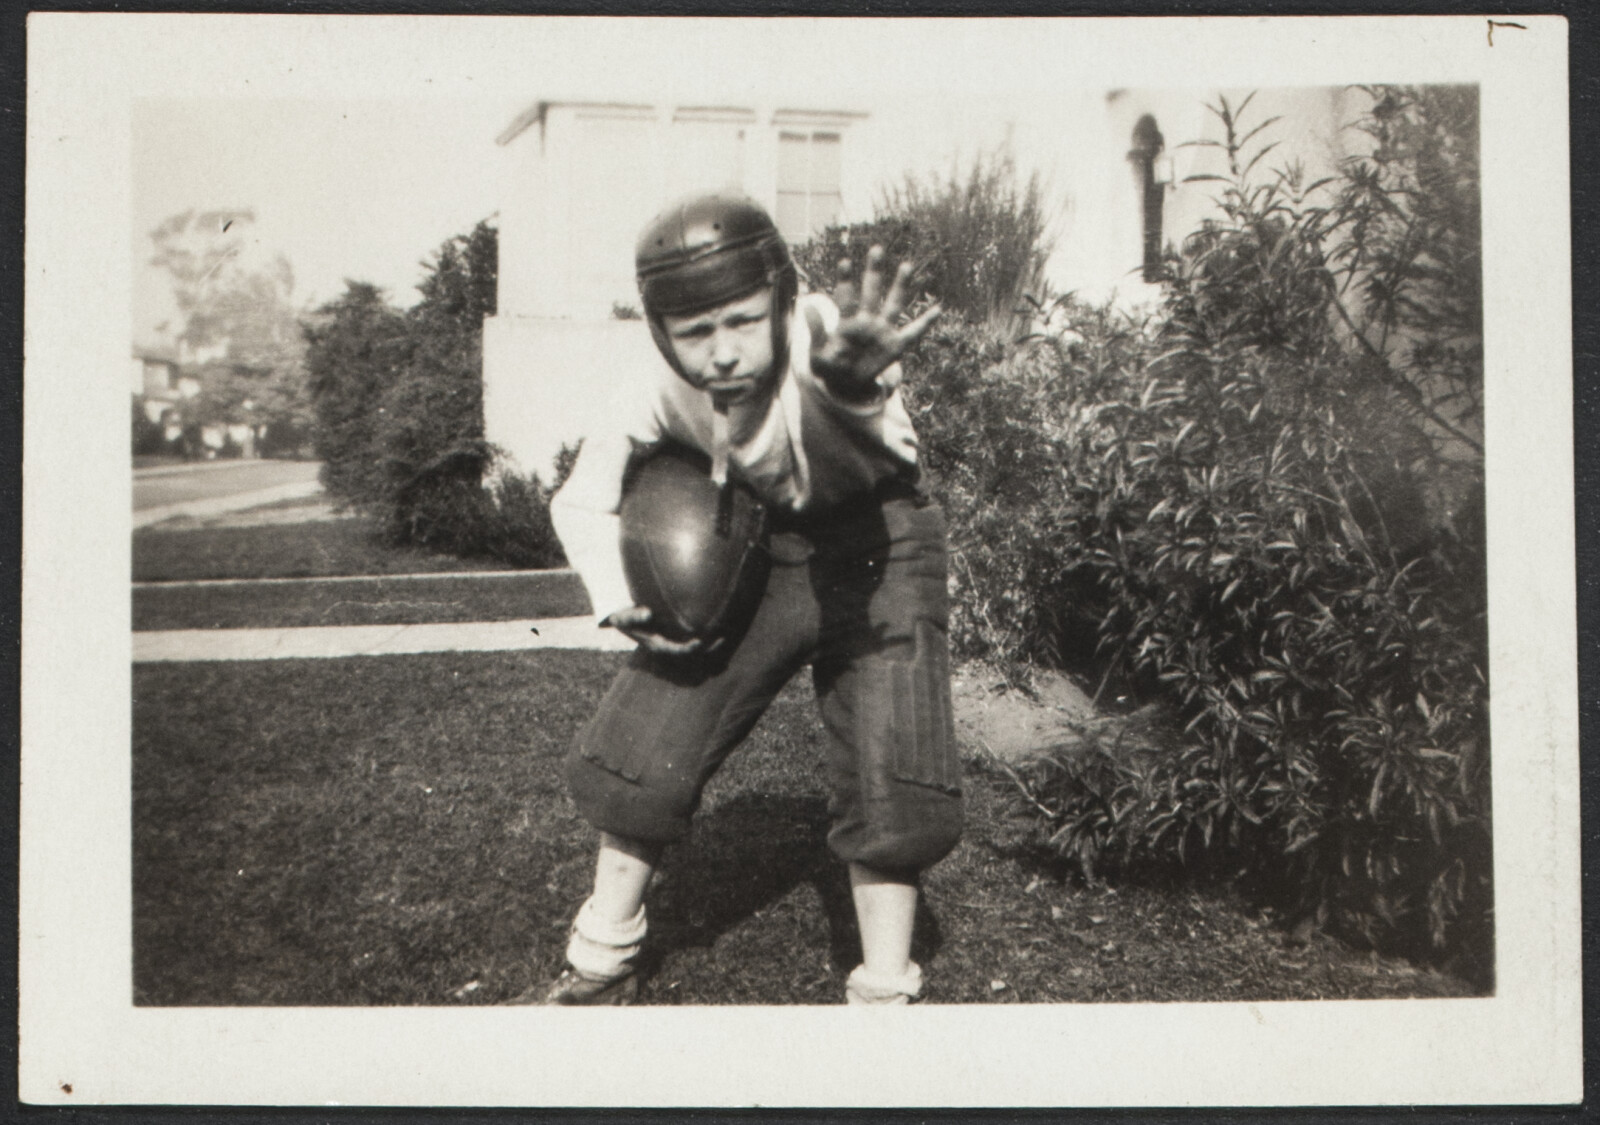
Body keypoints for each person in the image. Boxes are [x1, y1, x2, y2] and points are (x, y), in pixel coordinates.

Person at [542, 193, 959, 1006]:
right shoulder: (653, 384)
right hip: (762, 543)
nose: (723, 352)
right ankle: (599, 959)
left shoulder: (830, 340)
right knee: (652, 731)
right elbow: (581, 498)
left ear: (781, 296)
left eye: (743, 319)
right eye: (695, 333)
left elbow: (868, 418)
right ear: (661, 331)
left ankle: (885, 991)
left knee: (892, 759)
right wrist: (623, 596)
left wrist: (847, 381)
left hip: (882, 539)